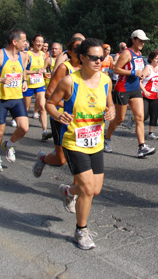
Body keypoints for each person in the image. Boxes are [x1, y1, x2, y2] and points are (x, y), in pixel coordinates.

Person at [46, 38, 114, 250]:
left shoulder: (106, 80)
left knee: (95, 190)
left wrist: (110, 112)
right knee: (86, 189)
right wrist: (58, 115)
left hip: (96, 141)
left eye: (101, 58)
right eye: (94, 58)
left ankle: (67, 191)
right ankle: (81, 230)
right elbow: (49, 103)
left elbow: (109, 105)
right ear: (82, 58)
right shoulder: (69, 81)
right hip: (74, 141)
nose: (98, 62)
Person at [0, 29, 30, 172]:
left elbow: (23, 70)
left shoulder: (24, 56)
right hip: (1, 99)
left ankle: (9, 144)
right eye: (24, 40)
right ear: (15, 42)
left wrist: (25, 80)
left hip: (17, 97)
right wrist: (0, 79)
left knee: (24, 128)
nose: (26, 43)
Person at [33, 36, 83, 178]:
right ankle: (43, 159)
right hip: (61, 116)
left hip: (81, 118)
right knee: (61, 159)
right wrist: (70, 106)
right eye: (76, 49)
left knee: (81, 156)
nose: (80, 52)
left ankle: (75, 192)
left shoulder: (88, 68)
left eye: (83, 49)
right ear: (69, 52)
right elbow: (49, 95)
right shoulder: (64, 68)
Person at [104, 30, 155, 158]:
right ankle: (107, 138)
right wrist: (134, 73)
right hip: (123, 88)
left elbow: (138, 70)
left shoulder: (139, 53)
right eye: (140, 41)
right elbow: (116, 69)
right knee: (119, 119)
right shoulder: (127, 53)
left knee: (139, 117)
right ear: (133, 39)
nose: (142, 43)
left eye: (144, 41)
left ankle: (141, 147)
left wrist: (142, 73)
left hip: (135, 88)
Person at [23, 34, 51, 141]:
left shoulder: (44, 55)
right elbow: (23, 70)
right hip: (29, 85)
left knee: (42, 107)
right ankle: (23, 127)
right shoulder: (27, 54)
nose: (39, 44)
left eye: (41, 42)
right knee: (26, 108)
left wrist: (45, 74)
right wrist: (34, 72)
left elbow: (43, 69)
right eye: (37, 41)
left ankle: (44, 130)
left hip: (40, 84)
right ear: (33, 42)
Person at [141, 51, 158, 140]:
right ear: (151, 59)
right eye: (156, 59)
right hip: (145, 95)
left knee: (154, 114)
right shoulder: (147, 68)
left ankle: (151, 133)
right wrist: (144, 91)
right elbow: (139, 81)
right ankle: (133, 118)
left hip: (154, 95)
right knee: (145, 115)